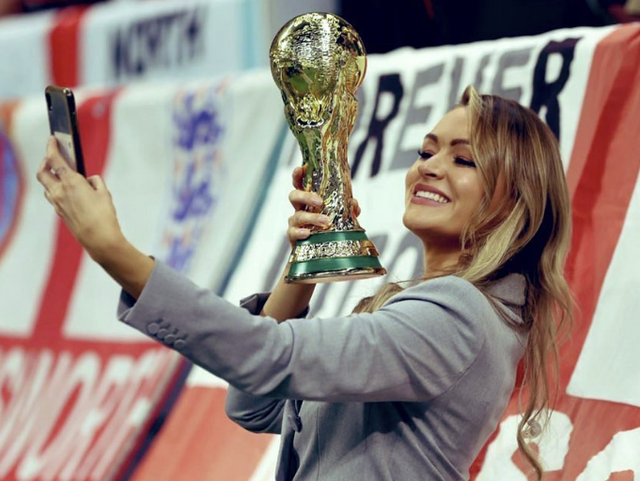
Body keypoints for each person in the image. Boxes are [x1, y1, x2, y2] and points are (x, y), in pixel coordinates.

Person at [37, 85, 573, 481]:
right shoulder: (433, 309)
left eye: (464, 159)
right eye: (426, 151)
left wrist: (114, 251)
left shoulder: (457, 316)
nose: (430, 167)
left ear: (516, 200)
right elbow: (254, 406)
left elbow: (269, 356)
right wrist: (306, 262)